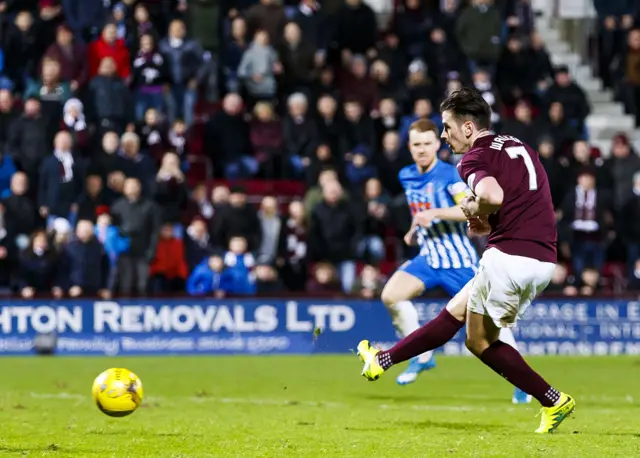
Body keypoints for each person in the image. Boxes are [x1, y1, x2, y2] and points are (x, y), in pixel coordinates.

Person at [357, 88, 575, 434]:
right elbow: (517, 202)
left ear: (469, 127)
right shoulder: (519, 146)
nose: (444, 135)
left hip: (509, 257)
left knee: (478, 341)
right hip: (542, 258)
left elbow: (491, 196)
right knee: (459, 315)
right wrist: (485, 220)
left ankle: (552, 398)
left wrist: (474, 207)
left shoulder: (472, 160)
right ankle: (382, 360)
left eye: (447, 127)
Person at [382, 118, 530, 404]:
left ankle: (521, 380)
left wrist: (435, 213)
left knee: (493, 324)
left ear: (437, 144)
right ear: (409, 147)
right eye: (416, 145)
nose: (422, 150)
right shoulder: (406, 175)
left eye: (427, 144)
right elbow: (420, 209)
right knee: (391, 295)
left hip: (458, 262)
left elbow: (470, 211)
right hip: (428, 257)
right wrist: (415, 228)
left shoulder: (450, 175)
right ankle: (423, 356)